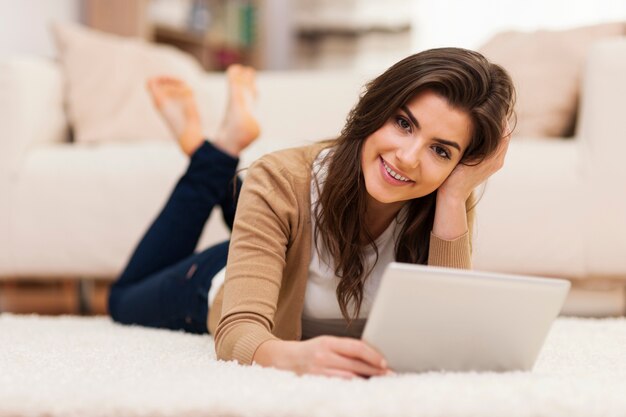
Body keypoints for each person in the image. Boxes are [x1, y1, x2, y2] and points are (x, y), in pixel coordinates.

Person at [108, 47, 515, 379]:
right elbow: (239, 330)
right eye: (403, 123)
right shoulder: (282, 176)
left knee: (274, 200)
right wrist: (292, 357)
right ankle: (218, 149)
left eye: (440, 150)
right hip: (221, 279)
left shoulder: (444, 197)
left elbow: (445, 337)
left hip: (291, 233)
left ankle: (214, 154)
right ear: (376, 110)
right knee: (123, 300)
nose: (408, 158)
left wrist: (455, 195)